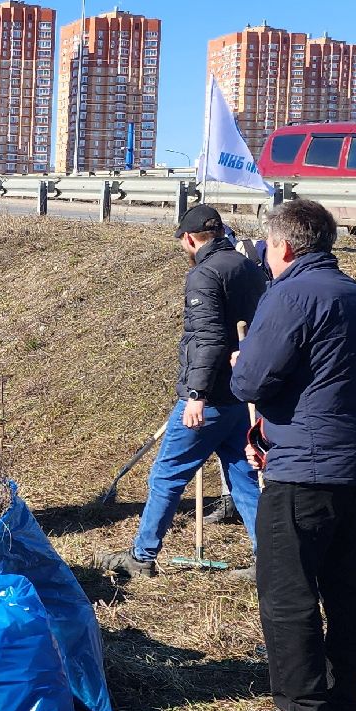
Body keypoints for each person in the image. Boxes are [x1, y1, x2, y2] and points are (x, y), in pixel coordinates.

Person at [232, 199, 356, 711]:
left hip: (306, 467)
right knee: (344, 584)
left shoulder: (290, 294)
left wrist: (242, 357)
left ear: (284, 246)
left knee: (287, 587)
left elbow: (251, 382)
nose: (266, 257)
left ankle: (303, 707)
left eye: (267, 247)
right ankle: (344, 700)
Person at [101, 204, 267, 579]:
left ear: (190, 239)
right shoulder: (249, 268)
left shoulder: (204, 275)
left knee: (165, 474)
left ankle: (142, 557)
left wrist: (196, 394)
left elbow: (207, 337)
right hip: (243, 396)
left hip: (208, 400)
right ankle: (266, 559)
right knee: (242, 475)